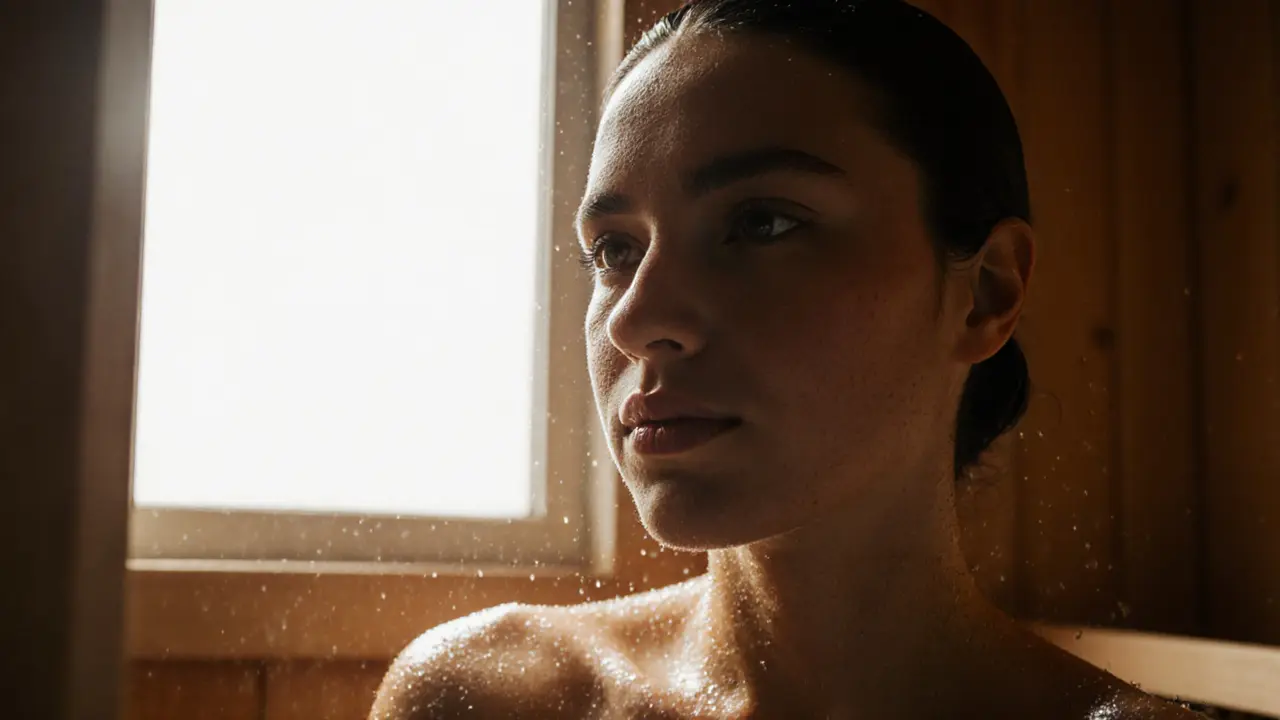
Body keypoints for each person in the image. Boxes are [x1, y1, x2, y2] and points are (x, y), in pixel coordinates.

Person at [371, 1, 1204, 717]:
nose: (636, 320)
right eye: (615, 250)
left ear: (984, 293)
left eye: (762, 223)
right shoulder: (491, 699)